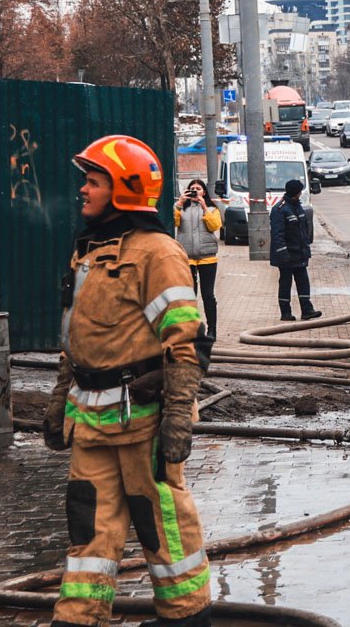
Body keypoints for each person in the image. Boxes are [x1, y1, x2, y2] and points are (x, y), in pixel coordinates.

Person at [44, 135, 211, 627]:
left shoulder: (158, 254)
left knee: (161, 524)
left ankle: (186, 615)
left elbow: (185, 343)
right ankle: (78, 617)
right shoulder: (89, 253)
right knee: (88, 531)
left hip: (143, 423)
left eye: (93, 182)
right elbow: (74, 340)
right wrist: (59, 400)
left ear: (122, 190)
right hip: (90, 422)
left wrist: (179, 415)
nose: (84, 191)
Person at [174, 179, 221, 341]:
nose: (195, 191)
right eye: (192, 189)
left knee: (208, 295)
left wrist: (204, 207)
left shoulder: (212, 209)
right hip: (187, 258)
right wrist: (180, 203)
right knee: (189, 296)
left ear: (204, 192)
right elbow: (173, 222)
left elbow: (215, 226)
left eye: (198, 189)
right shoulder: (181, 208)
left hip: (207, 258)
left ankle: (212, 329)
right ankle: (190, 329)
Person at [270, 179, 322, 321]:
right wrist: (283, 253)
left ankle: (307, 310)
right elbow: (277, 234)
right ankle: (285, 312)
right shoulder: (280, 210)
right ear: (297, 192)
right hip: (287, 255)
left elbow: (303, 231)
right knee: (286, 283)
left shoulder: (298, 207)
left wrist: (306, 249)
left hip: (299, 254)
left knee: (303, 281)